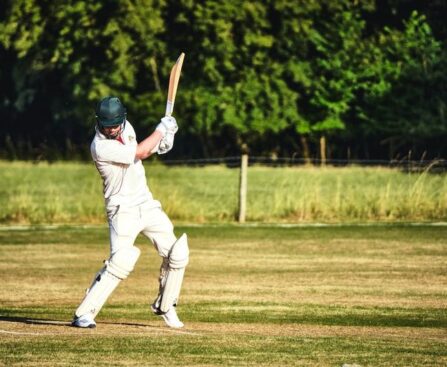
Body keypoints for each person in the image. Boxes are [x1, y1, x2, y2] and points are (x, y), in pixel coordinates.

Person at [71, 96, 189, 329]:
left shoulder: (128, 128)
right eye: (107, 125)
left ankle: (166, 306)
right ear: (99, 122)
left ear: (122, 119)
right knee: (121, 261)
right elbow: (141, 153)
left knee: (177, 253)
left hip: (145, 202)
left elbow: (151, 148)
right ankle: (84, 313)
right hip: (121, 209)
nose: (111, 128)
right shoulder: (100, 146)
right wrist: (160, 128)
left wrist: (167, 136)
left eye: (115, 124)